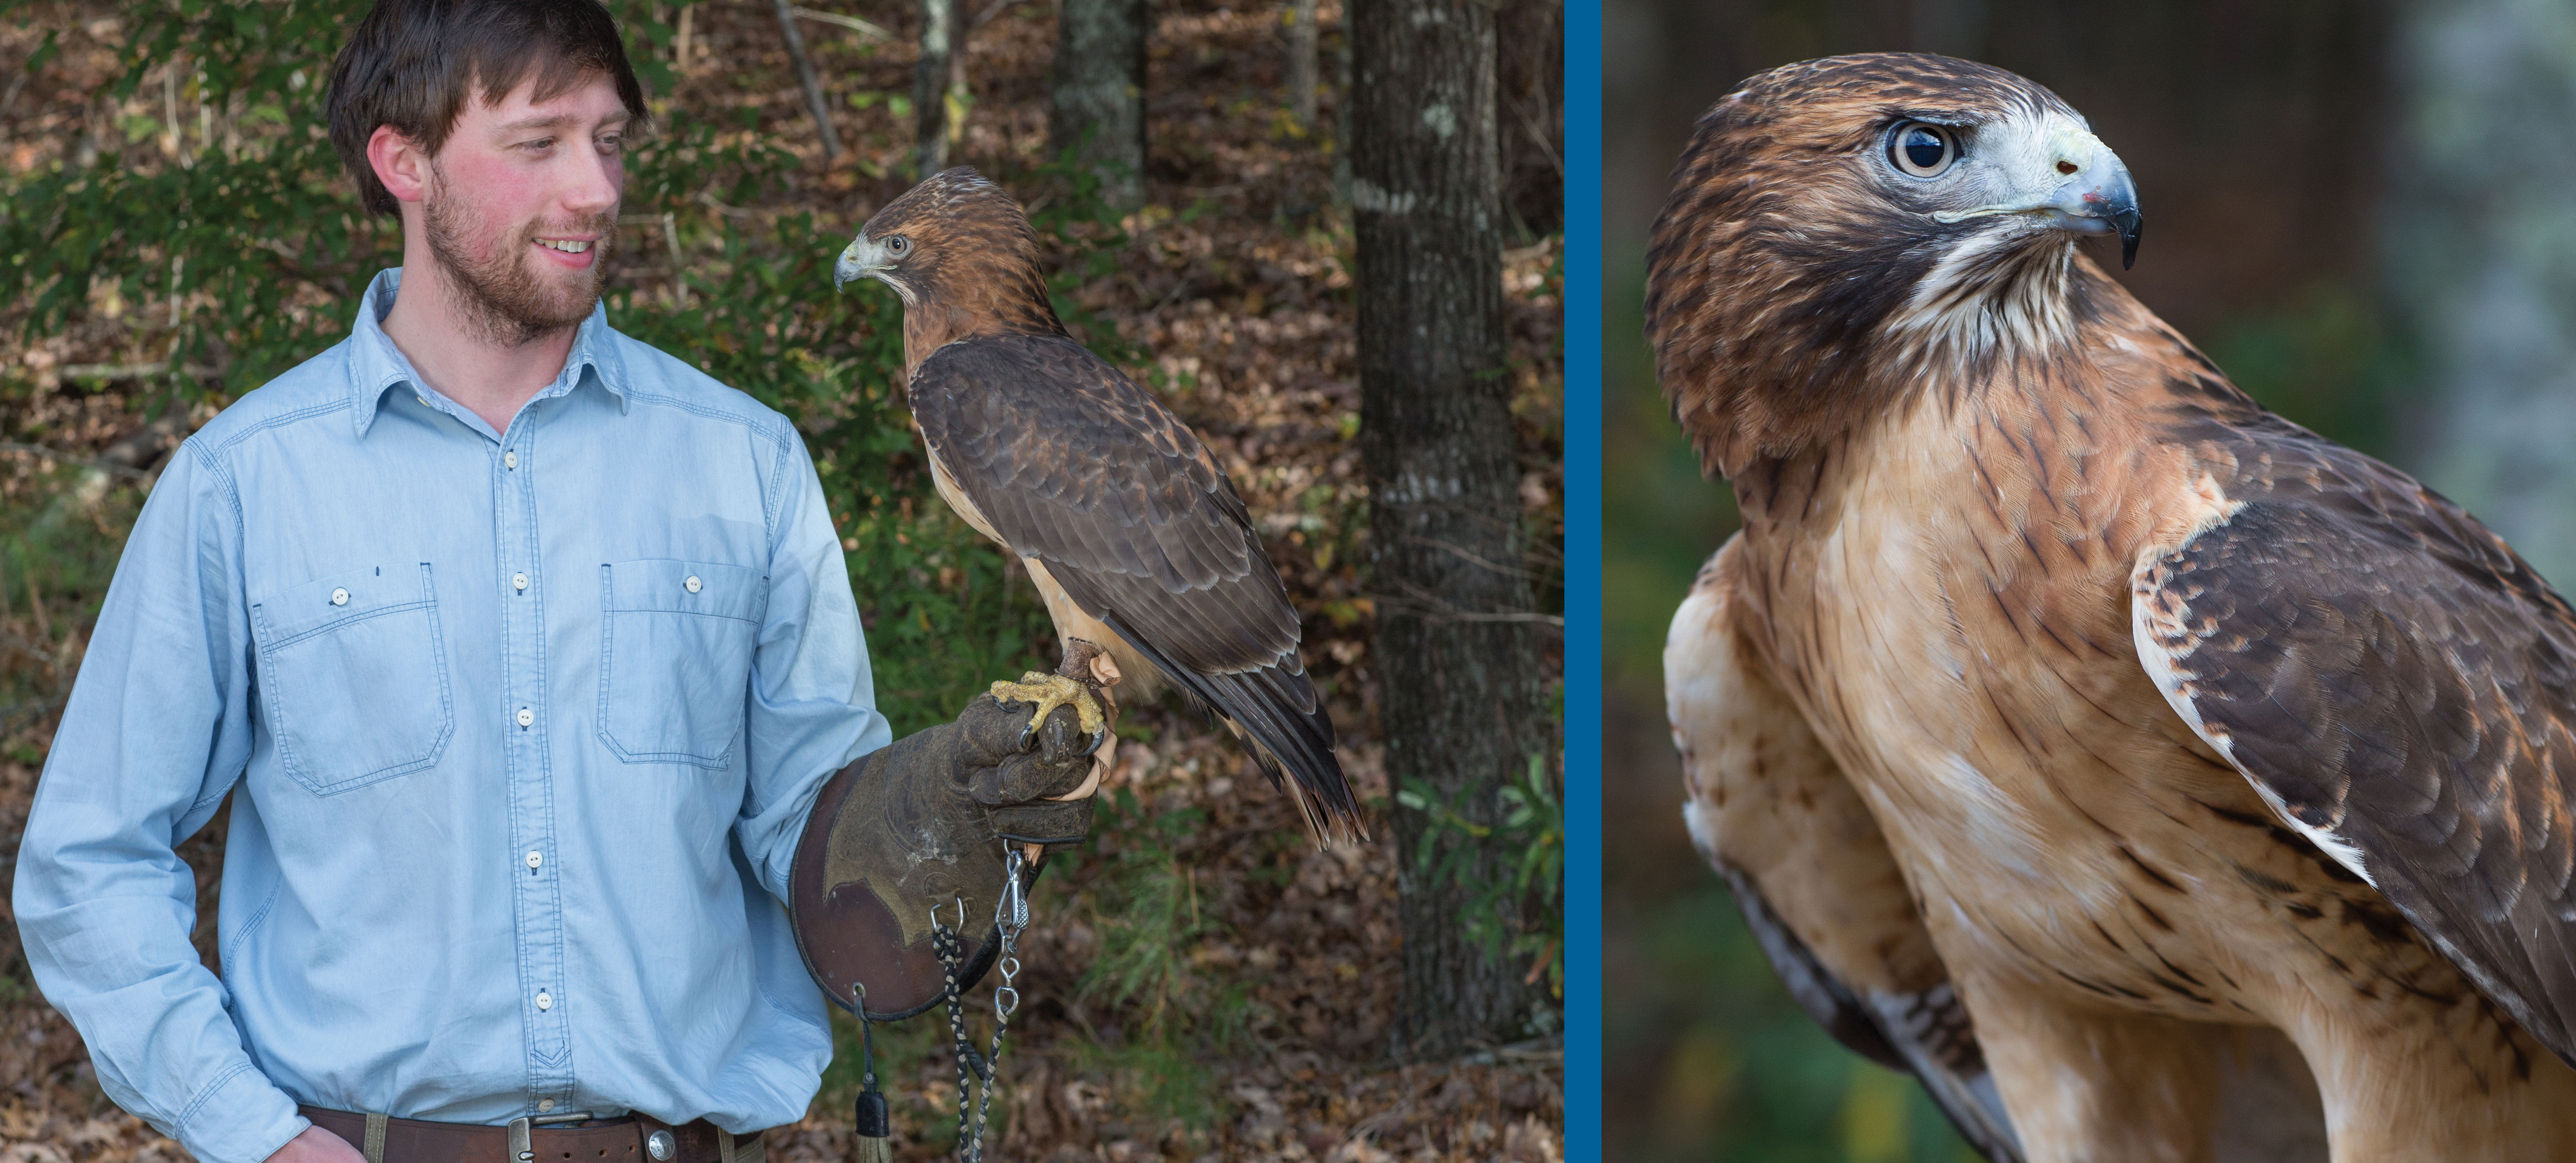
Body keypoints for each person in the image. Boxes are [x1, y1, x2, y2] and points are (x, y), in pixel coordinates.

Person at [8, 2, 1096, 1160]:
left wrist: (948, 807)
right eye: (540, 144)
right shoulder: (245, 484)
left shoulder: (741, 460)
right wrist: (255, 1134)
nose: (597, 188)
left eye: (611, 141)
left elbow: (812, 829)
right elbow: (92, 859)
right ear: (404, 162)